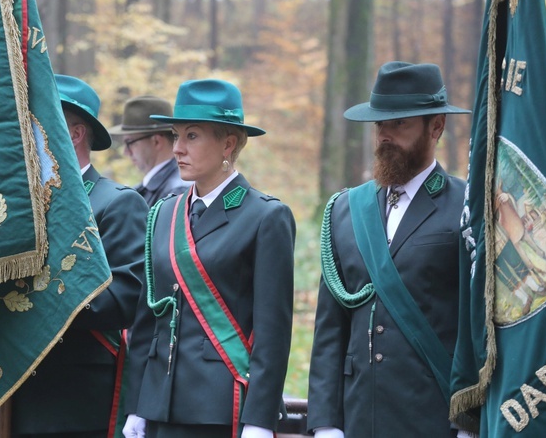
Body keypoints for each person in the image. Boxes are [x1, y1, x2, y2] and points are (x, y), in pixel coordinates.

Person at [123, 78, 296, 438]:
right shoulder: (163, 214)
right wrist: (136, 403)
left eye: (192, 136)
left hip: (219, 407)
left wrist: (260, 419)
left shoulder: (265, 217)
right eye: (175, 135)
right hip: (158, 404)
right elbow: (147, 320)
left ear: (228, 144)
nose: (177, 149)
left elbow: (272, 332)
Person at [306, 61, 471, 437]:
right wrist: (325, 423)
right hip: (358, 415)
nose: (384, 135)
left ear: (436, 127)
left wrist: (469, 422)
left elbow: (476, 327)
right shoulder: (345, 210)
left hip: (433, 418)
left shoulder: (466, 205)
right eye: (380, 124)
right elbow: (330, 329)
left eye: (400, 124)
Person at [9, 75, 147, 437]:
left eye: (40, 124)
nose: (28, 134)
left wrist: (31, 295)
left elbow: (122, 299)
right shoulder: (22, 206)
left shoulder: (117, 203)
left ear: (74, 134)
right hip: (16, 388)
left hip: (78, 397)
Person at [108, 95, 190, 206]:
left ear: (156, 141)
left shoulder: (176, 191)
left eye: (129, 143)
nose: (126, 152)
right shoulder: (153, 187)